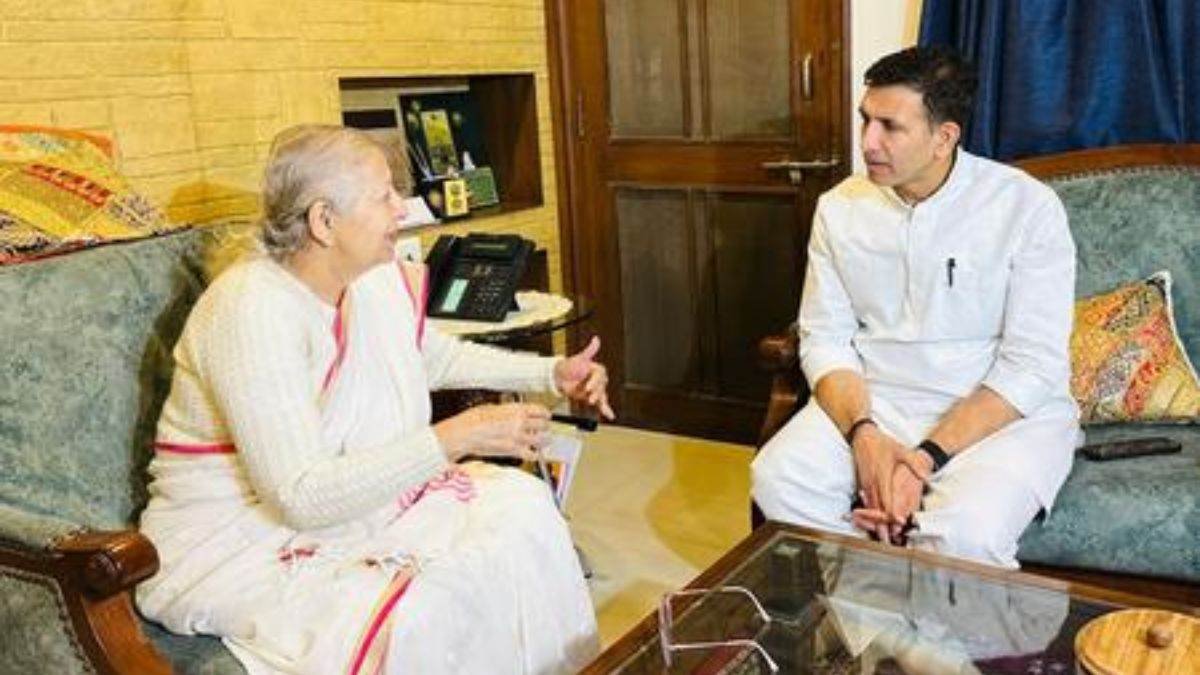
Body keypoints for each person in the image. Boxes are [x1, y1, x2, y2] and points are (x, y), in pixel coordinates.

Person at [137, 124, 614, 674]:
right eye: (384, 196)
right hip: (239, 539)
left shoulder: (369, 279)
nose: (403, 209)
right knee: (428, 609)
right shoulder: (251, 309)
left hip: (347, 508)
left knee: (523, 510)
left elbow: (432, 357)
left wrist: (552, 373)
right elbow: (300, 496)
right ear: (324, 221)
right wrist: (456, 437)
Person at [751, 46, 1080, 569]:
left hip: (998, 412)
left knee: (965, 533)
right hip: (877, 399)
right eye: (865, 119)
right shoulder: (839, 208)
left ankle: (925, 622)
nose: (867, 142)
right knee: (779, 480)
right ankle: (867, 610)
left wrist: (923, 459)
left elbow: (1033, 365)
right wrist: (864, 434)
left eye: (890, 126)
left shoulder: (1026, 207)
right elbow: (825, 338)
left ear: (943, 138)